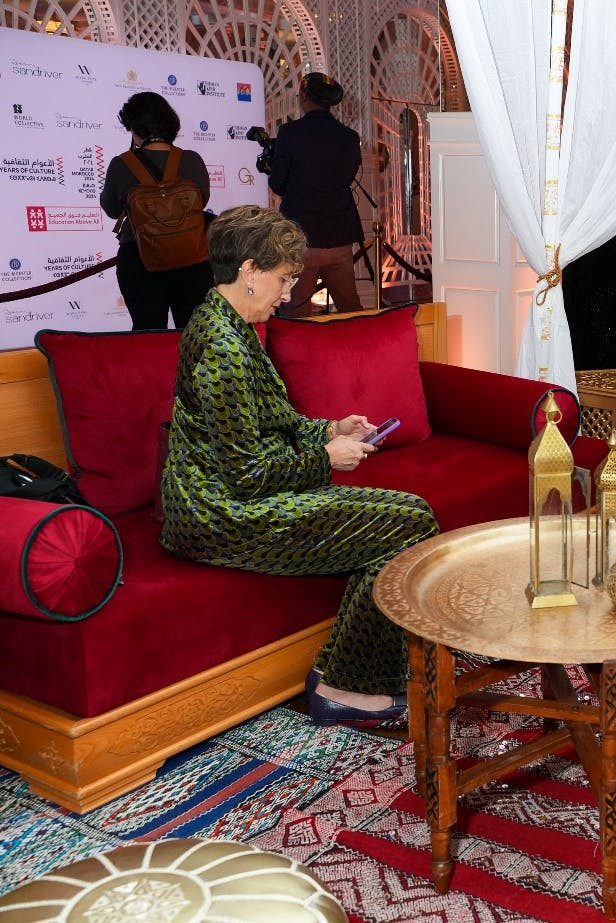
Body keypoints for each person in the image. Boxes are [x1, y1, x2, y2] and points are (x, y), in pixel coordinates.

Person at [160, 205, 438, 727]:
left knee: (409, 519)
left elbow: (272, 426)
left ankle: (342, 676)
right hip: (221, 516)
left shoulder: (232, 326)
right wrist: (324, 458)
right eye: (284, 279)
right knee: (411, 522)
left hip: (240, 499)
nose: (289, 293)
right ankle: (345, 686)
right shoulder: (222, 344)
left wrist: (332, 429)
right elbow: (246, 475)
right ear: (248, 271)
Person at [99, 92, 214, 330]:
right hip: (192, 260)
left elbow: (111, 209)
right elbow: (200, 203)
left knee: (148, 336)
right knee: (195, 335)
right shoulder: (192, 160)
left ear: (135, 128)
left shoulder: (121, 164)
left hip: (140, 261)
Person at [268, 72, 365, 317]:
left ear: (303, 97)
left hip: (302, 238)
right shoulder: (349, 137)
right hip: (340, 237)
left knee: (296, 312)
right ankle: (360, 352)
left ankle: (301, 356)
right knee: (349, 309)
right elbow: (347, 177)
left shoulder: (290, 133)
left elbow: (278, 184)